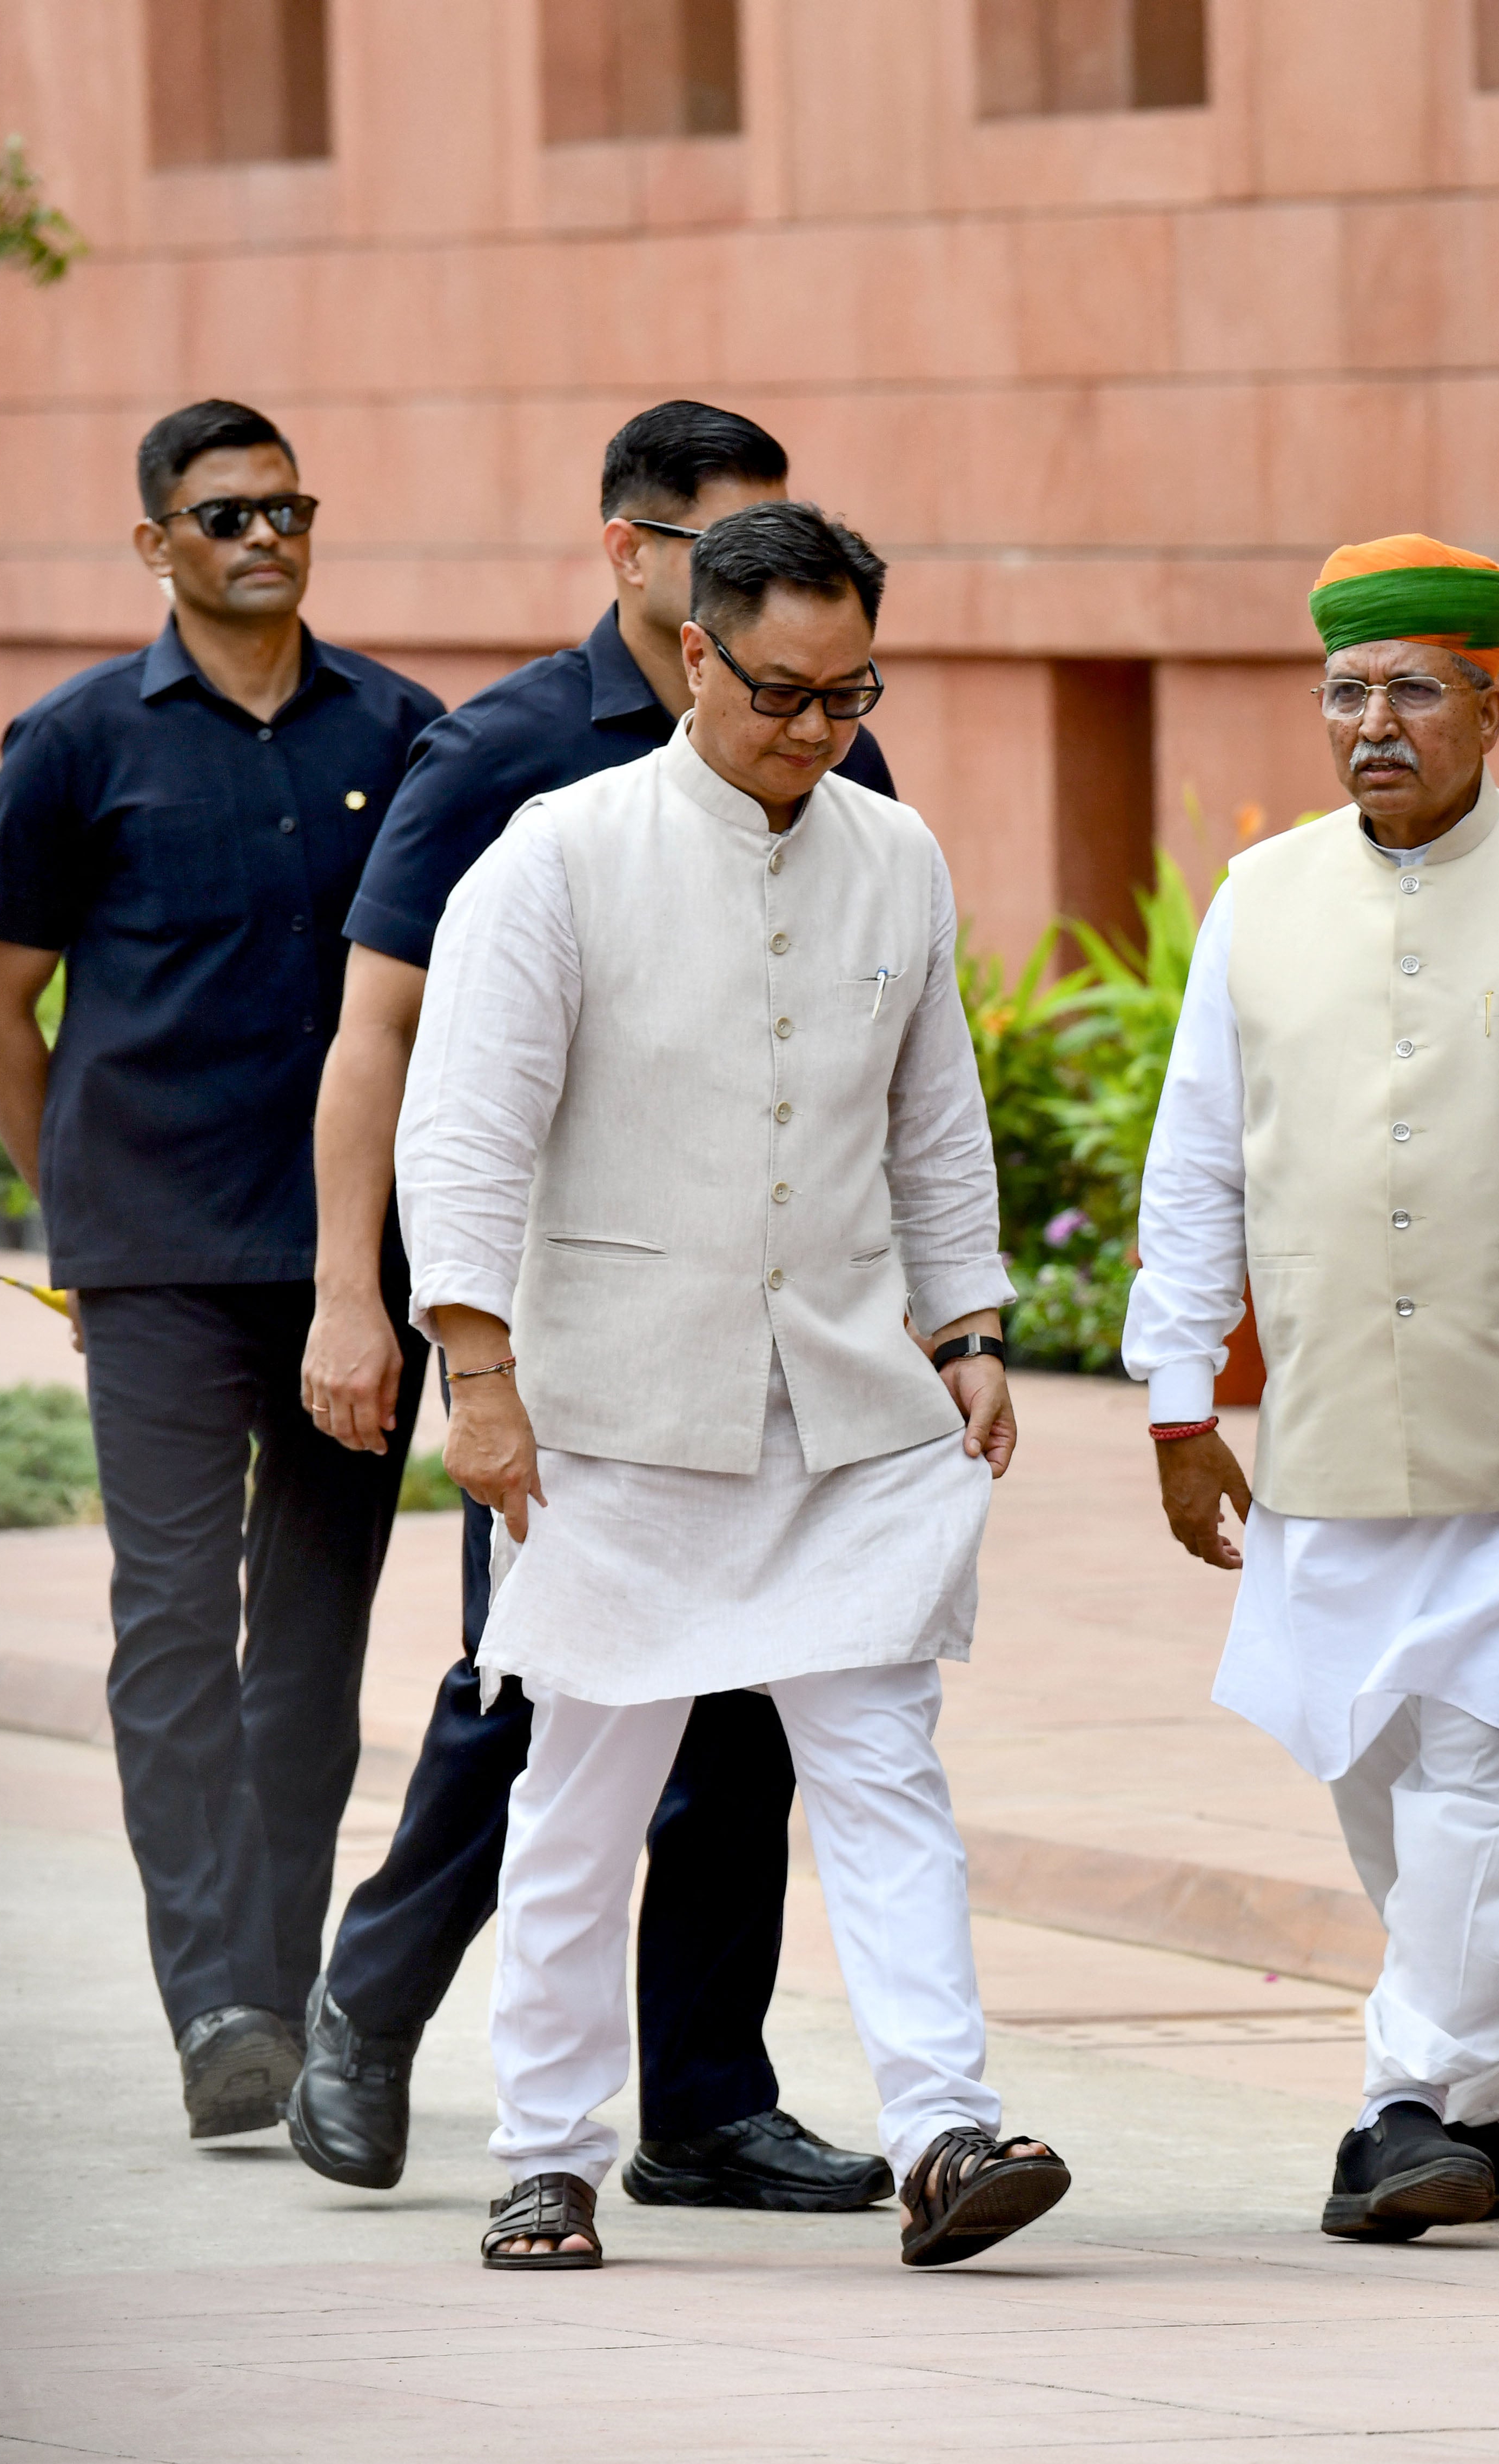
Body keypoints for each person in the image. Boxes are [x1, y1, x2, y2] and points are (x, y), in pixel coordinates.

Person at [396, 502, 1065, 2273]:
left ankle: (946, 2133)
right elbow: (463, 1127)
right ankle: (544, 2151)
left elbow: (935, 1122)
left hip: (846, 1405)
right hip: (618, 1411)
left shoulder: (894, 854)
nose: (818, 728)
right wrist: (478, 1370)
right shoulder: (556, 855)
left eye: (852, 696)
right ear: (694, 651)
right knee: (583, 1796)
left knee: (882, 1768)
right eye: (784, 691)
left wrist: (971, 1329)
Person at [283, 401, 898, 2212]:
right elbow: (383, 1034)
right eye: (723, 555)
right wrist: (358, 1297)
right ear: (636, 560)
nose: (792, 651)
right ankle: (369, 2003)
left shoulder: (834, 755)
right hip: (579, 1351)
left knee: (747, 1725)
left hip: (778, 1348)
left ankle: (703, 2105)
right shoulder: (505, 763)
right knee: (531, 1700)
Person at [1128, 535, 1499, 2243]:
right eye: (1348, 693)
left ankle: (1404, 2106)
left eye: (1415, 690)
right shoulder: (1258, 900)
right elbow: (1197, 1154)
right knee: (1390, 1799)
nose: (1377, 723)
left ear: (1493, 707)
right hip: (1338, 1450)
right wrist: (1173, 1397)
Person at [0, 400, 443, 2141]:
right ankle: (218, 2000)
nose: (264, 534)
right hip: (155, 1263)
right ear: (155, 543)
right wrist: (77, 1209)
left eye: (287, 506)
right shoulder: (79, 741)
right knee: (171, 1623)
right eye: (224, 512)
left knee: (310, 1652)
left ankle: (271, 1981)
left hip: (349, 1273)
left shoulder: (402, 731)